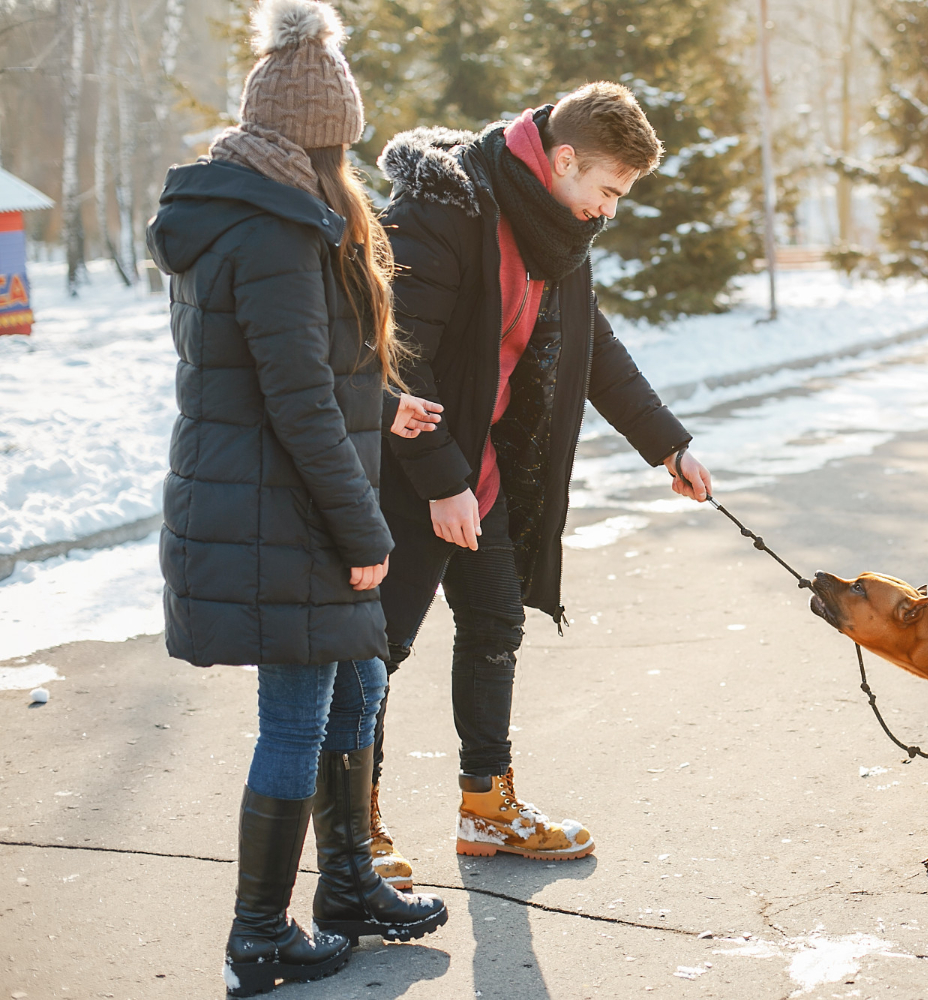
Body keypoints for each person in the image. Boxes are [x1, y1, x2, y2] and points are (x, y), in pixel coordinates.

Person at [145, 1, 447, 993]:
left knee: (357, 674)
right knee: (297, 713)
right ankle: (259, 932)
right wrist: (364, 529)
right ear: (321, 140)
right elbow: (295, 397)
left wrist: (386, 403)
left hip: (286, 498)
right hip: (283, 512)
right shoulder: (273, 231)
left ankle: (349, 884)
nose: (349, 166)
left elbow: (308, 367)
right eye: (343, 146)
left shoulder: (265, 210)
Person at [364, 82, 713, 884]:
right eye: (608, 190)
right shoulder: (445, 209)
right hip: (403, 468)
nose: (609, 210)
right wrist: (441, 480)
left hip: (482, 470)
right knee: (373, 653)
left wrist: (667, 445)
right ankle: (357, 830)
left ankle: (487, 809)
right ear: (562, 160)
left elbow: (595, 349)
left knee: (493, 629)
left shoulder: (555, 229)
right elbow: (396, 358)